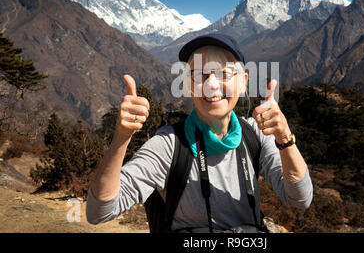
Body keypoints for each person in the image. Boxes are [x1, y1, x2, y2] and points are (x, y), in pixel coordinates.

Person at [86, 33, 313, 232]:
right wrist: (121, 138)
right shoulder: (169, 145)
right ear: (187, 84)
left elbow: (300, 198)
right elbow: (99, 212)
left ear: (243, 83)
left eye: (223, 73)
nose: (211, 85)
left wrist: (284, 138)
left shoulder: (256, 134)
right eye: (200, 75)